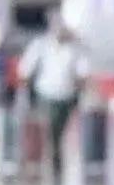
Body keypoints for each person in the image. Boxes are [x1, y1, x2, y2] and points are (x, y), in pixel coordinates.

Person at [18, 14, 89, 172]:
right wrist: (24, 91)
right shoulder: (41, 45)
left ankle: (54, 155)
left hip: (66, 96)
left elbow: (82, 73)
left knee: (58, 129)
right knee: (47, 128)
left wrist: (81, 92)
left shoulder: (75, 48)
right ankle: (48, 158)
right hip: (45, 94)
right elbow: (26, 69)